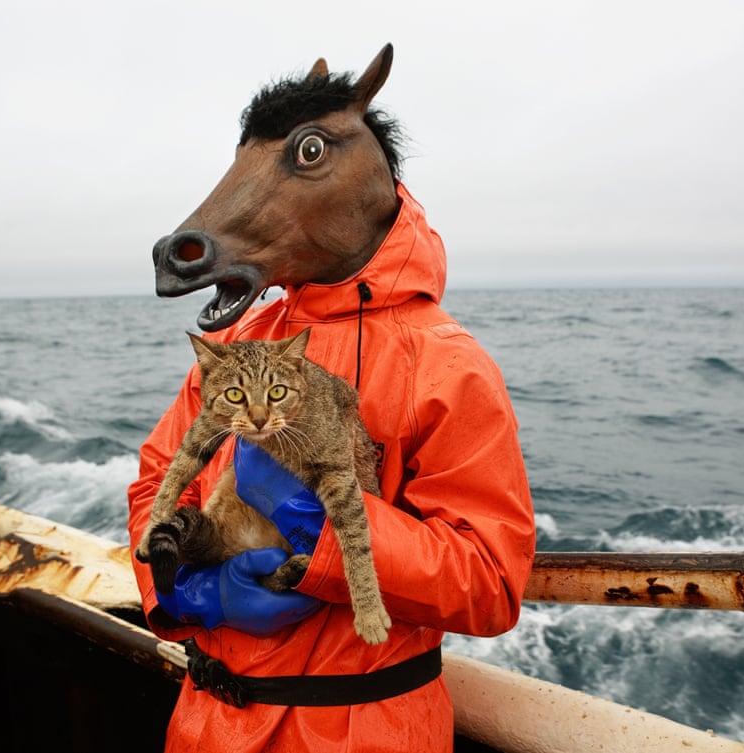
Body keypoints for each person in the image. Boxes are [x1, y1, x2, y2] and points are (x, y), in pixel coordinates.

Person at [127, 176, 536, 751]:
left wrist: (314, 527)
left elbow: (489, 581)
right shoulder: (239, 343)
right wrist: (181, 588)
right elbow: (155, 482)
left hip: (364, 732)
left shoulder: (451, 365)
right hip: (204, 722)